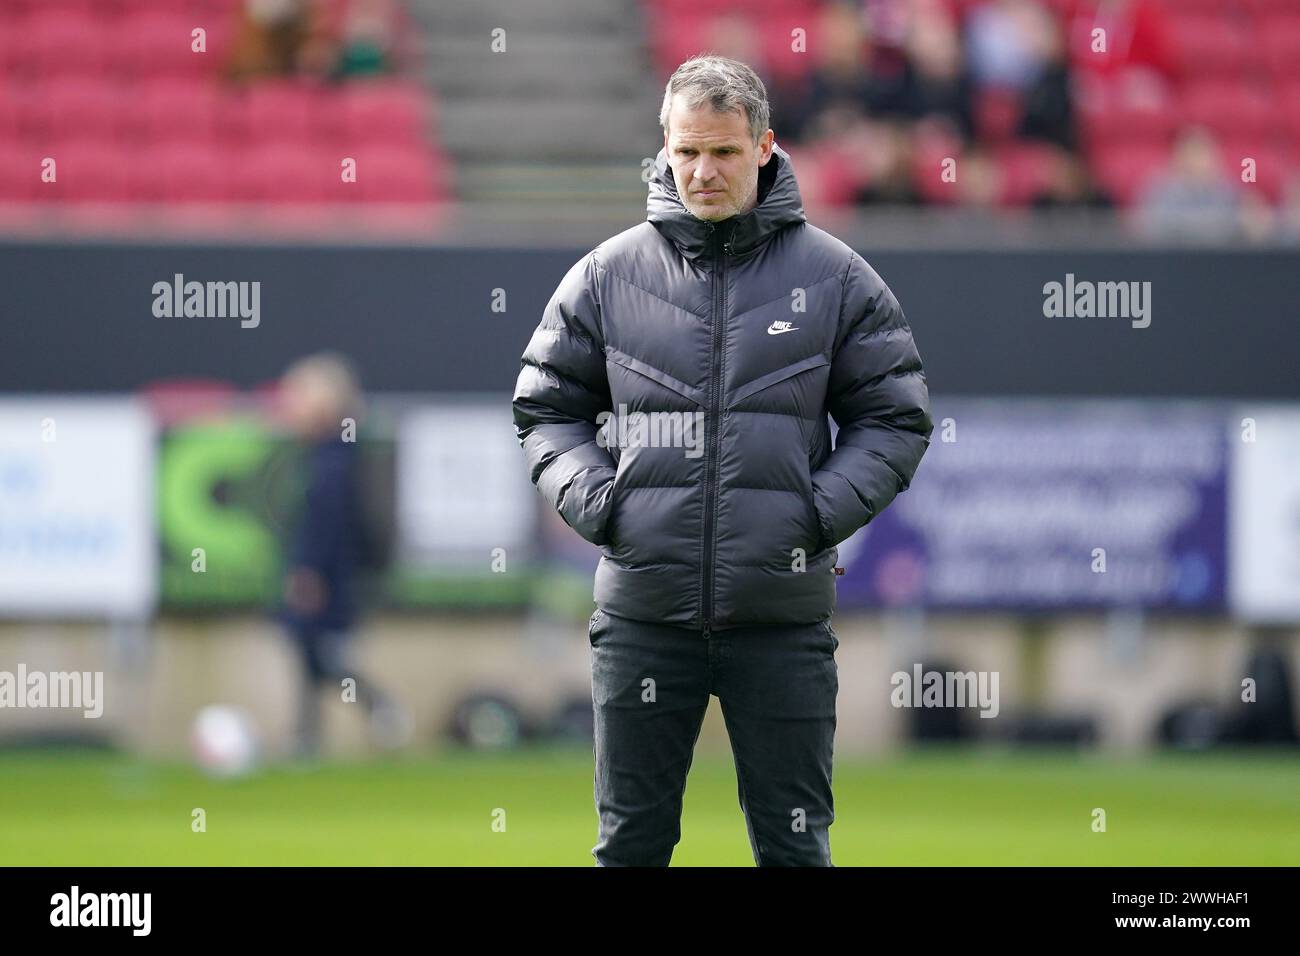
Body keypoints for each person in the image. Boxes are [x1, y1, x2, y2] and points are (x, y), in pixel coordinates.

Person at [512, 55, 933, 866]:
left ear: (765, 148)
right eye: (686, 152)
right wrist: (604, 506)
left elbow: (897, 418)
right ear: (664, 150)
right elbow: (544, 409)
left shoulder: (837, 278)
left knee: (795, 851)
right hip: (643, 618)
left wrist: (810, 516)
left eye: (725, 152)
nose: (703, 171)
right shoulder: (606, 276)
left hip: (781, 620)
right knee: (630, 847)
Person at [276, 352, 411, 759]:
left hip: (330, 578)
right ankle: (308, 737)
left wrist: (310, 573)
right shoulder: (327, 454)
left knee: (321, 656)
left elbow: (330, 524)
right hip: (329, 575)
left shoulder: (335, 459)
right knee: (311, 656)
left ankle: (377, 710)